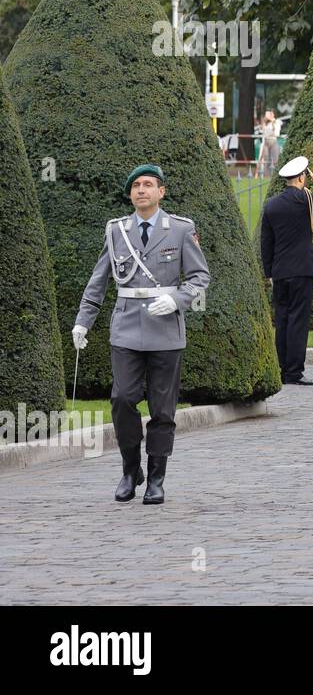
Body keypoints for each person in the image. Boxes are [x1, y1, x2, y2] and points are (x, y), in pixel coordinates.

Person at [72, 165, 211, 505]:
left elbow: (199, 277)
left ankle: (157, 478)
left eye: (148, 184)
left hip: (165, 330)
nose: (141, 190)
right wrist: (83, 321)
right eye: (136, 185)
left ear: (161, 192)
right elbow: (99, 279)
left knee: (163, 409)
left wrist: (177, 299)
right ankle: (130, 470)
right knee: (122, 400)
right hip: (127, 329)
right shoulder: (116, 231)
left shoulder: (180, 229)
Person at [260, 156, 313, 386]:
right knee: (298, 321)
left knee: (283, 320)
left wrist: (269, 273)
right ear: (301, 177)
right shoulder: (306, 200)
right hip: (303, 270)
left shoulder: (271, 204)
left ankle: (281, 369)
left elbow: (265, 243)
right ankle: (294, 372)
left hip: (279, 272)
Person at [256, 110, 281, 178]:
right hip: (266, 142)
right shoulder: (266, 123)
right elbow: (264, 132)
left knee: (275, 159)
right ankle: (265, 175)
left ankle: (275, 175)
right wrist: (264, 122)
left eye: (271, 114)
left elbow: (276, 132)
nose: (269, 115)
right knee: (265, 160)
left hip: (273, 141)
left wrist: (272, 122)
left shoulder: (276, 122)